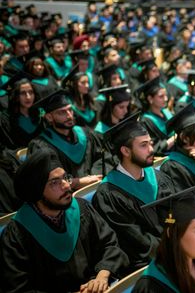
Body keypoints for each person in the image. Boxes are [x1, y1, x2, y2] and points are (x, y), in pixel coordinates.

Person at [0, 150, 129, 293]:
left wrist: (102, 276)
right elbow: (18, 289)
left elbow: (110, 245)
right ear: (37, 190)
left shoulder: (81, 208)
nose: (67, 186)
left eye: (65, 178)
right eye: (55, 182)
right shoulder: (17, 233)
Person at [92, 113, 176, 272]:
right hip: (144, 265)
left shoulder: (158, 178)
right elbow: (135, 240)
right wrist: (172, 250)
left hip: (171, 250)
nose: (152, 149)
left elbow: (173, 214)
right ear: (125, 151)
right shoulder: (109, 194)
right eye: (143, 145)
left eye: (151, 143)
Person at [28, 90, 104, 190]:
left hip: (96, 185)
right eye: (62, 112)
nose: (69, 116)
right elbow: (44, 179)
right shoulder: (41, 146)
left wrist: (94, 176)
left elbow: (102, 157)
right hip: (66, 197)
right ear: (49, 117)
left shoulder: (86, 133)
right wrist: (76, 183)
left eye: (70, 110)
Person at [0, 73, 43, 150]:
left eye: (31, 92)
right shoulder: (5, 120)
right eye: (23, 93)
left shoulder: (41, 114)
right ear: (16, 96)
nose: (28, 97)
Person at [136, 76, 175, 155]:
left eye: (166, 95)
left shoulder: (167, 112)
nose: (166, 99)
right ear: (150, 99)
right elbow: (154, 147)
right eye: (161, 96)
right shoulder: (145, 121)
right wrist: (175, 138)